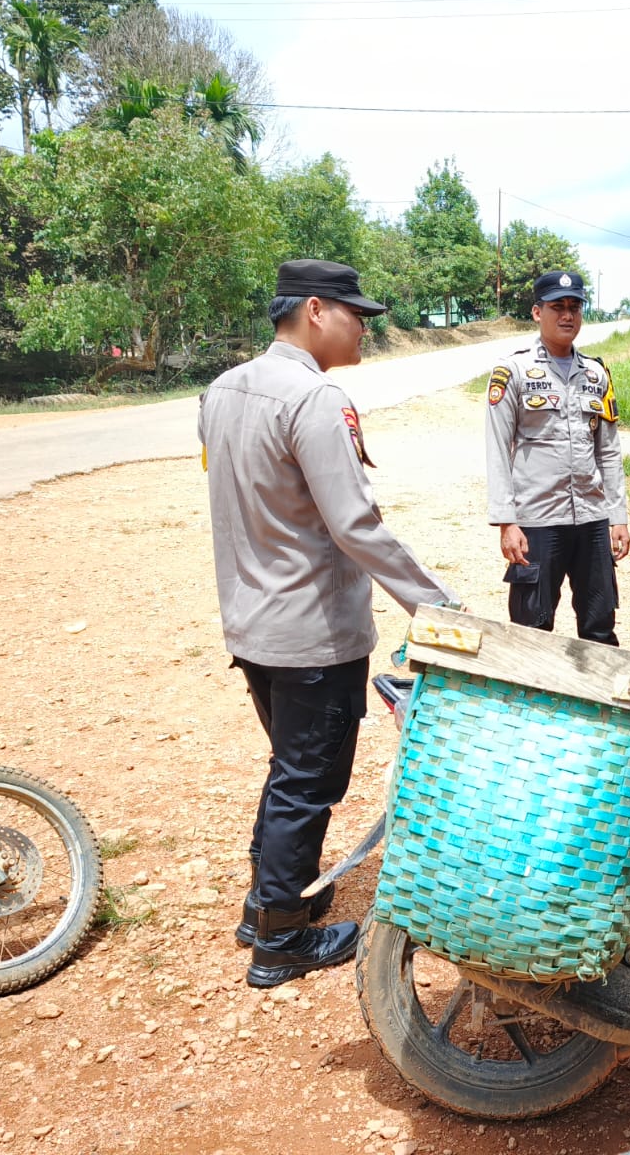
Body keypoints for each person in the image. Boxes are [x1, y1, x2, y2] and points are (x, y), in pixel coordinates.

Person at [198, 258, 457, 989]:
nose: (365, 329)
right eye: (356, 315)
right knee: (308, 779)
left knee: (289, 767)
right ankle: (281, 939)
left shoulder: (221, 390)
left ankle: (266, 903)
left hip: (252, 624)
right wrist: (438, 606)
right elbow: (354, 523)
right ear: (315, 310)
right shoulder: (315, 399)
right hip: (313, 632)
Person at [485, 270, 628, 645]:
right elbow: (498, 448)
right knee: (532, 630)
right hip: (537, 520)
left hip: (592, 519)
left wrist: (618, 517)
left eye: (574, 307)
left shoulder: (596, 374)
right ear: (537, 312)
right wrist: (506, 522)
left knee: (600, 627)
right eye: (557, 307)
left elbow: (608, 451)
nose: (567, 315)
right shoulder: (513, 371)